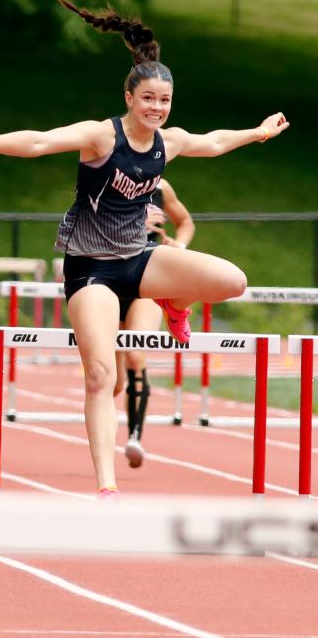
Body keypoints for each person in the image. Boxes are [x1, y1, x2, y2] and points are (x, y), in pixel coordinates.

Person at [0, 0, 289, 497]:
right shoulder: (100, 137)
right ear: (130, 97)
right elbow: (41, 141)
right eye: (149, 99)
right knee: (100, 374)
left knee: (232, 281)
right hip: (90, 270)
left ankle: (177, 301)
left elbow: (213, 142)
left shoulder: (167, 142)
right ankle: (106, 486)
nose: (157, 108)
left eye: (165, 101)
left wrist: (257, 133)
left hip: (139, 260)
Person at [115, 178, 194, 469]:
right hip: (107, 277)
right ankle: (103, 427)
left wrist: (179, 244)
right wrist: (132, 220)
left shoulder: (162, 187)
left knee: (136, 354)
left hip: (145, 278)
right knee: (111, 381)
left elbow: (185, 221)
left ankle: (135, 436)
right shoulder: (103, 177)